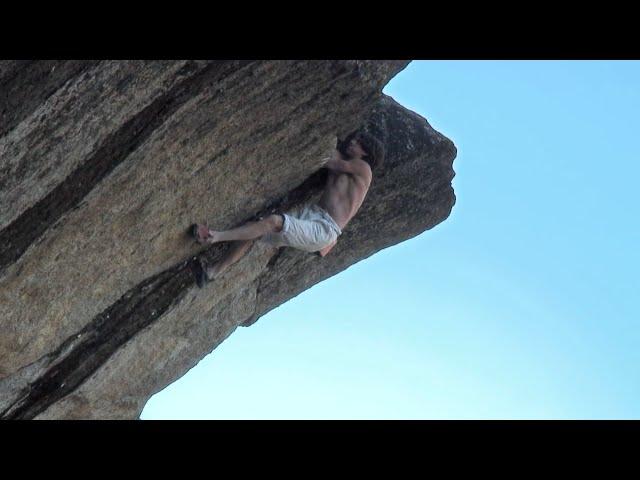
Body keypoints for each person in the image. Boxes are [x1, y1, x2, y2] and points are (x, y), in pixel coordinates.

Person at [191, 132, 384, 288]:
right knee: (256, 229)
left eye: (359, 142)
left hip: (325, 228)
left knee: (273, 222)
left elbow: (327, 158)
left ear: (366, 151)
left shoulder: (363, 168)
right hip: (312, 215)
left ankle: (214, 236)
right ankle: (211, 272)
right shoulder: (347, 166)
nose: (353, 141)